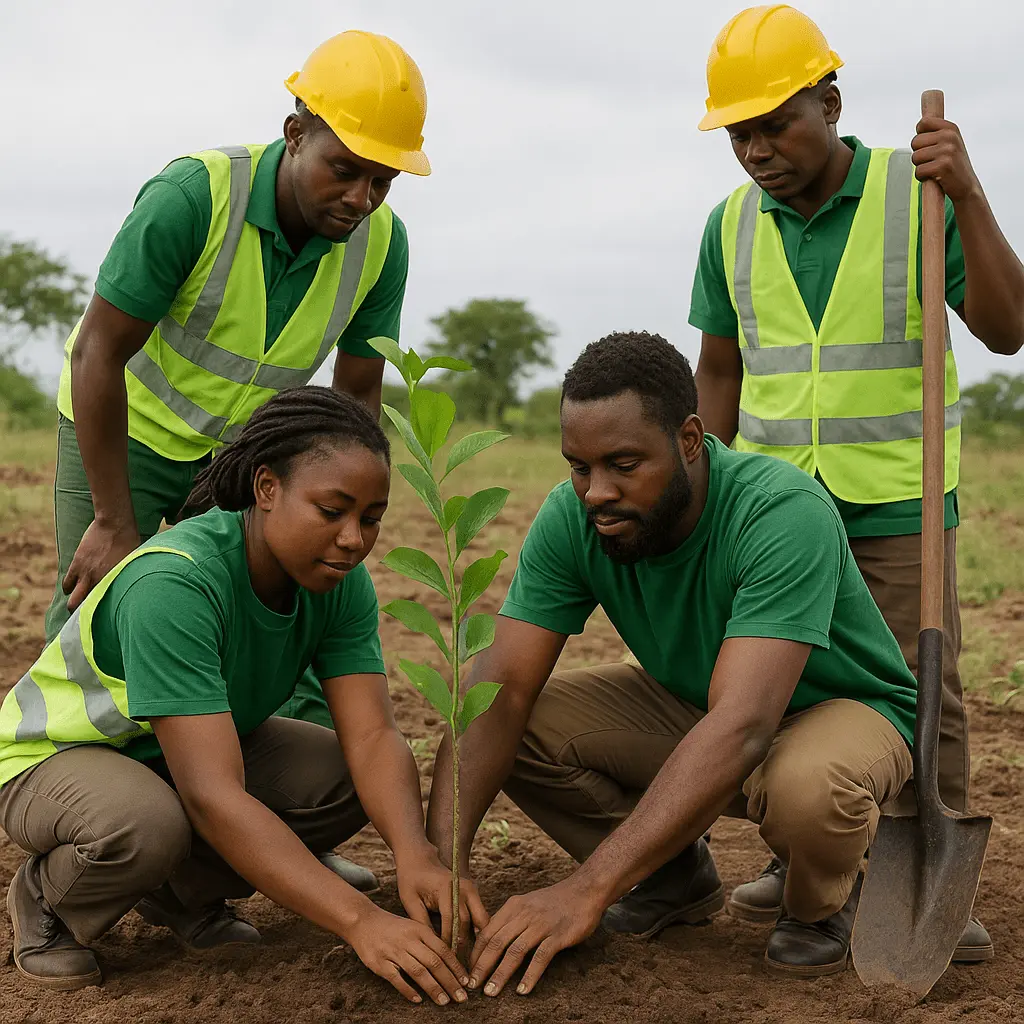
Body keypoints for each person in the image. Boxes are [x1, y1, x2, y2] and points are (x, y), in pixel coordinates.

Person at [425, 331, 921, 989]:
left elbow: (743, 725)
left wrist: (588, 887)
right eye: (580, 467)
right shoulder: (573, 517)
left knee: (808, 789)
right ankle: (668, 873)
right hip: (701, 705)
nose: (596, 491)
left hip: (840, 710)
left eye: (624, 464)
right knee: (513, 720)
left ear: (689, 440)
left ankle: (822, 902)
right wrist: (444, 864)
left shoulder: (780, 511)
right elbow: (501, 689)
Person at [690, 5, 1024, 961]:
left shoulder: (915, 195)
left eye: (775, 124)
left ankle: (926, 878)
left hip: (898, 500)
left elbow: (1007, 329)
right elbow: (718, 371)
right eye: (738, 134)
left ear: (830, 105)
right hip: (775, 512)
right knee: (784, 685)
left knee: (924, 689)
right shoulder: (728, 226)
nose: (756, 149)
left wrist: (969, 194)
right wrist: (708, 493)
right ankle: (806, 858)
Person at [0, 387, 485, 1000]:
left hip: (174, 754)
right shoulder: (175, 582)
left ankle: (180, 894)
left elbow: (372, 736)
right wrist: (360, 922)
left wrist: (416, 853)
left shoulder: (339, 581)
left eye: (370, 518)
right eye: (331, 510)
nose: (353, 539)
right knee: (148, 825)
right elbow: (212, 795)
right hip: (58, 757)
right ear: (266, 488)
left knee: (344, 780)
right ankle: (47, 898)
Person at [43, 30, 429, 748]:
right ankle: (78, 788)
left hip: (244, 457)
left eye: (382, 181)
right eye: (344, 170)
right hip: (126, 431)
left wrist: (341, 506)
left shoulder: (382, 245)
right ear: (295, 134)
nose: (361, 198)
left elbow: (354, 401)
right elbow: (99, 352)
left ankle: (274, 799)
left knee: (280, 607)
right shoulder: (194, 197)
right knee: (101, 611)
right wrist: (113, 518)